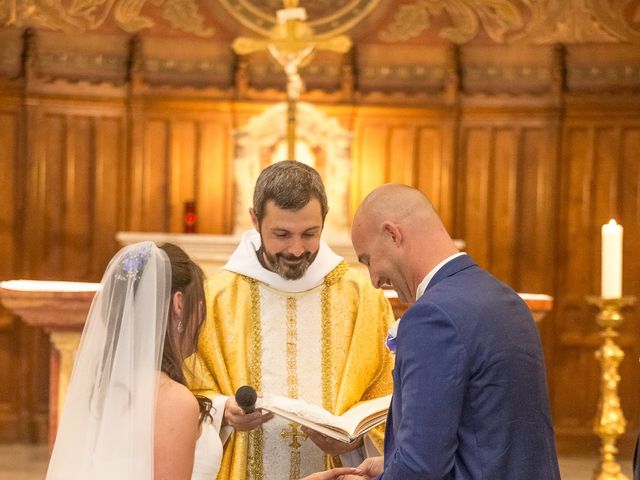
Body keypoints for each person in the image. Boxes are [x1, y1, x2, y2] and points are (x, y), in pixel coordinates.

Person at [189, 161, 395, 480]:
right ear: (255, 220)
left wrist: (353, 437)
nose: (297, 249)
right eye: (282, 234)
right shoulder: (216, 298)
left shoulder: (362, 298)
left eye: (309, 234)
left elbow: (389, 395)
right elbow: (189, 390)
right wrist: (222, 413)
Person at [342, 184, 560, 479]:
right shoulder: (504, 297)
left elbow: (421, 469)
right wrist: (390, 464)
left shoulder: (431, 317)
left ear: (393, 234)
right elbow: (493, 438)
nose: (374, 279)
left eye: (368, 259)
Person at [46, 242, 224, 480]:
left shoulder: (104, 389)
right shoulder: (174, 400)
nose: (203, 316)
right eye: (200, 303)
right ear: (179, 304)